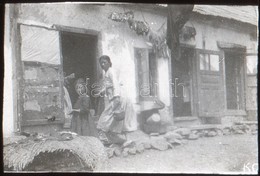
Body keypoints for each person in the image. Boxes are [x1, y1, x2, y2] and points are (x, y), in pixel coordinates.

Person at [97, 55, 133, 146]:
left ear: (109, 63)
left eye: (104, 62)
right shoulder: (106, 73)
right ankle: (115, 138)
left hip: (116, 97)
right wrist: (102, 91)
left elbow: (115, 84)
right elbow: (108, 85)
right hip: (114, 97)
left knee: (107, 115)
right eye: (101, 63)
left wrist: (116, 96)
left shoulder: (111, 72)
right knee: (116, 117)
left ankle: (104, 137)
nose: (102, 64)